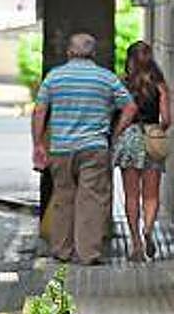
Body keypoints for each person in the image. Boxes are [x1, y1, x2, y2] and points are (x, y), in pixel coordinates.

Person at [32, 33, 137, 265]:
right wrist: (115, 133)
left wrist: (38, 143)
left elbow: (39, 110)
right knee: (92, 200)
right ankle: (88, 254)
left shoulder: (54, 77)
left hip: (60, 147)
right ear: (94, 53)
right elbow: (130, 107)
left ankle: (62, 250)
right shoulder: (106, 78)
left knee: (63, 197)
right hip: (94, 147)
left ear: (69, 52)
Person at [113, 41, 170, 261]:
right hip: (152, 136)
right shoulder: (160, 85)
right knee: (151, 194)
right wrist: (157, 130)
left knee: (131, 195)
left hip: (129, 137)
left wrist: (117, 133)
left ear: (130, 59)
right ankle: (148, 229)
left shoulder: (122, 83)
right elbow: (167, 119)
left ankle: (135, 241)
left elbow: (121, 112)